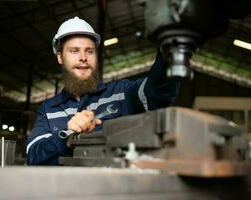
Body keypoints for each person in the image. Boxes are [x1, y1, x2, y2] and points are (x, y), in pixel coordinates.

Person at [26, 16, 180, 165]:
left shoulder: (122, 93)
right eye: (74, 51)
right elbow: (34, 155)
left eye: (89, 51)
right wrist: (66, 137)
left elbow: (157, 92)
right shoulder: (48, 109)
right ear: (60, 57)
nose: (83, 57)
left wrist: (168, 53)